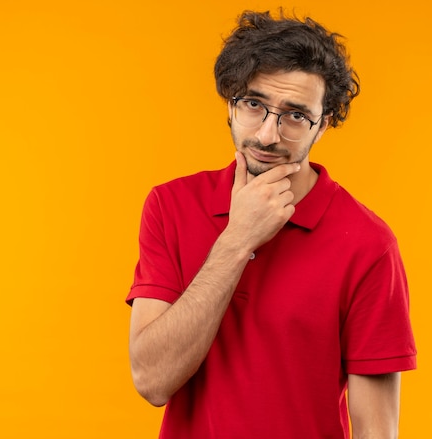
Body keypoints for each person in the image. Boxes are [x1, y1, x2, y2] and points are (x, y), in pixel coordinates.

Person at [127, 9, 416, 439]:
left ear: (324, 125)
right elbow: (152, 381)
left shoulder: (369, 244)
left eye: (296, 115)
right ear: (230, 103)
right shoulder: (171, 205)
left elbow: (377, 430)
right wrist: (237, 240)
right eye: (254, 104)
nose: (266, 135)